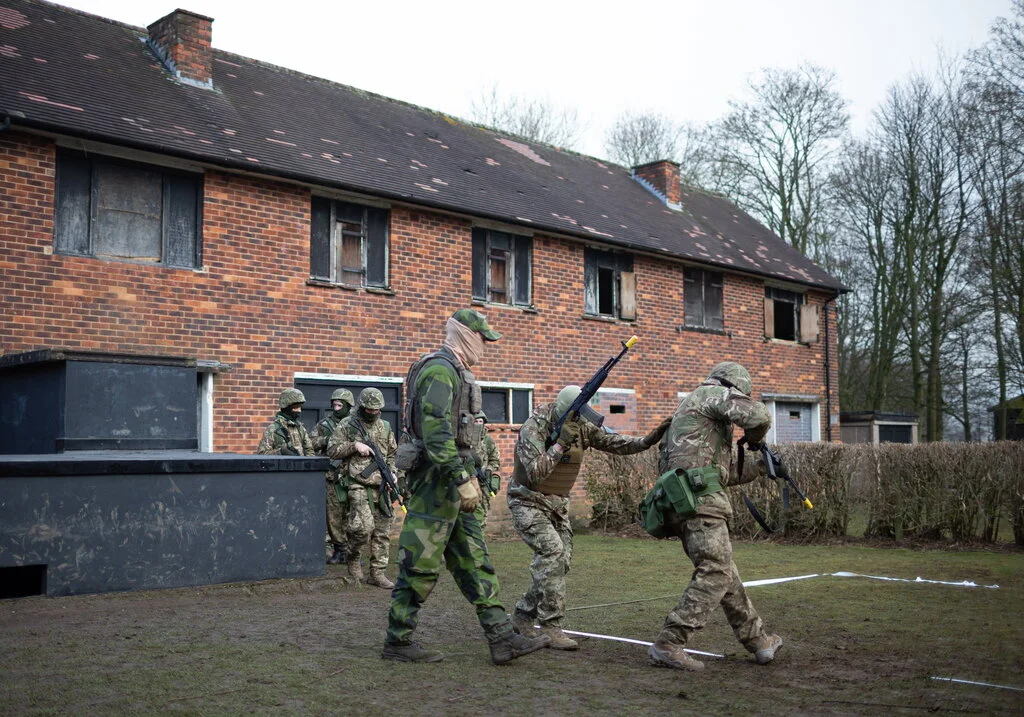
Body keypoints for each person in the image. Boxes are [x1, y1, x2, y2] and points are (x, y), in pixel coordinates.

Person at [383, 309, 550, 665]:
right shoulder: (440, 371)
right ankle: (398, 640)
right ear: (464, 335)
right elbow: (436, 431)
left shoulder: (454, 371)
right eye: (482, 339)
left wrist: (468, 474)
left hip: (454, 477)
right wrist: (461, 479)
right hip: (436, 480)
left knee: (474, 560)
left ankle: (502, 637)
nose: (485, 347)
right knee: (420, 561)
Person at [508, 386, 670, 650]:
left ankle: (523, 615)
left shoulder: (581, 426)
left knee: (562, 561)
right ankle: (551, 627)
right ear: (565, 410)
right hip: (527, 499)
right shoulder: (534, 427)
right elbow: (535, 473)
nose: (583, 419)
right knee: (552, 552)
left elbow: (615, 443)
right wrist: (560, 443)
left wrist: (648, 439)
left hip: (556, 504)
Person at [648, 361, 783, 671]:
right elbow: (759, 416)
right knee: (716, 572)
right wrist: (755, 439)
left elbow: (715, 474)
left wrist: (760, 468)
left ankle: (759, 641)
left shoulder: (692, 414)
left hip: (683, 500)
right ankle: (670, 643)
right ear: (733, 388)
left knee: (725, 574)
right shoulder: (712, 394)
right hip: (700, 504)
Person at [327, 388, 398, 589]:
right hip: (357, 483)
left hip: (382, 484)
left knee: (383, 530)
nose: (374, 413)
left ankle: (377, 572)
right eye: (370, 409)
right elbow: (332, 450)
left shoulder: (385, 427)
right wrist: (354, 445)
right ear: (362, 407)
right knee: (363, 528)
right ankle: (353, 556)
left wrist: (392, 471)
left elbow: (392, 453)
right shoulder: (347, 425)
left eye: (377, 410)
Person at [312, 389, 355, 565]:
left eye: (340, 405)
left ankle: (352, 552)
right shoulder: (324, 424)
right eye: (334, 405)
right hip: (332, 476)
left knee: (352, 515)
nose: (337, 408)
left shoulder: (355, 424)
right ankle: (339, 549)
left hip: (353, 475)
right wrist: (327, 440)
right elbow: (311, 443)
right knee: (334, 515)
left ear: (348, 406)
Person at [257, 388, 314, 456]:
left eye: (300, 407)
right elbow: (262, 454)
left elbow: (309, 450)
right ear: (286, 407)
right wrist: (281, 452)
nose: (299, 410)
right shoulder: (273, 429)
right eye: (295, 407)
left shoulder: (300, 428)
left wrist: (307, 464)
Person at [472, 411, 501, 529]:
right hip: (468, 481)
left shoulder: (488, 441)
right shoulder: (465, 439)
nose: (478, 424)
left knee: (482, 512)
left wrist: (488, 470)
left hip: (483, 482)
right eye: (476, 421)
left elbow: (495, 460)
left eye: (481, 421)